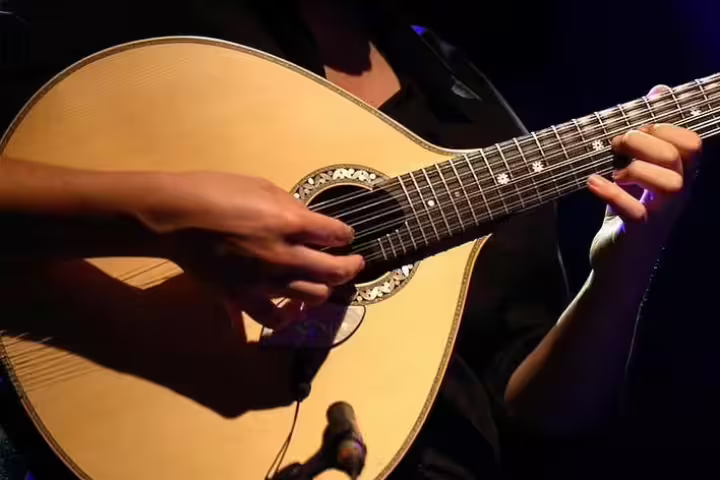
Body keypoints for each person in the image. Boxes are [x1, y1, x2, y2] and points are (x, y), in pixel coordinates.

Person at [0, 0, 702, 478]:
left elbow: (545, 419)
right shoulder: (132, 19)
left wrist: (624, 264)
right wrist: (155, 215)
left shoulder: (478, 114)